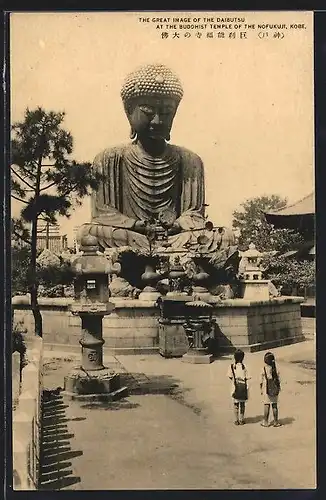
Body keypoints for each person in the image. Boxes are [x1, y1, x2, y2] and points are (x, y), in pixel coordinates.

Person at [78, 63, 237, 262]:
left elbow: (194, 214)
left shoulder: (190, 160)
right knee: (88, 233)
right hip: (132, 235)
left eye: (166, 112)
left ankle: (150, 257)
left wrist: (177, 225)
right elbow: (103, 214)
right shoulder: (109, 158)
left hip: (175, 236)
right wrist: (137, 225)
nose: (157, 121)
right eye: (147, 111)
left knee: (224, 235)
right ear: (129, 111)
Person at [227, 349, 250, 425]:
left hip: (235, 388)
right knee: (242, 405)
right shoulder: (245, 366)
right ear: (243, 357)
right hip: (243, 388)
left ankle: (236, 420)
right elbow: (248, 377)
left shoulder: (231, 366)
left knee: (236, 405)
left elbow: (230, 376)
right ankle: (241, 419)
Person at [260, 351, 282, 427]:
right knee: (274, 405)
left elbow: (261, 381)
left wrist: (261, 389)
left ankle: (265, 422)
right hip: (275, 389)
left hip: (267, 389)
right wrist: (279, 388)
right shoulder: (276, 369)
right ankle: (276, 422)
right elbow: (279, 380)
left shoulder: (263, 369)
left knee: (266, 405)